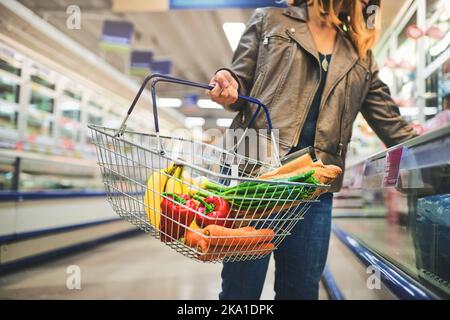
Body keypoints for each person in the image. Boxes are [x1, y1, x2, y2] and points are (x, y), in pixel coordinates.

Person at [207, 0, 418, 300]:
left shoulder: (360, 57)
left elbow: (394, 127)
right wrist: (228, 84)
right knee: (240, 291)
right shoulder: (270, 20)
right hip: (254, 180)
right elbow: (239, 85)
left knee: (302, 292)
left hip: (313, 189)